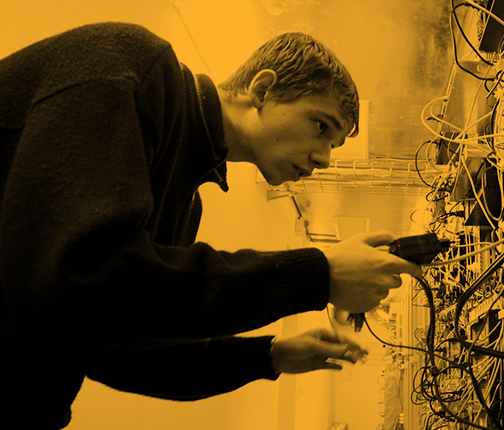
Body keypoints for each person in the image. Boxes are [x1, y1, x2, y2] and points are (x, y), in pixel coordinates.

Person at [0, 22, 422, 429]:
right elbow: (77, 281)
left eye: (333, 143)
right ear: (262, 89)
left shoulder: (184, 203)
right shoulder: (130, 63)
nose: (325, 158)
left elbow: (122, 354)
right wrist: (319, 274)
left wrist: (269, 357)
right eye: (320, 126)